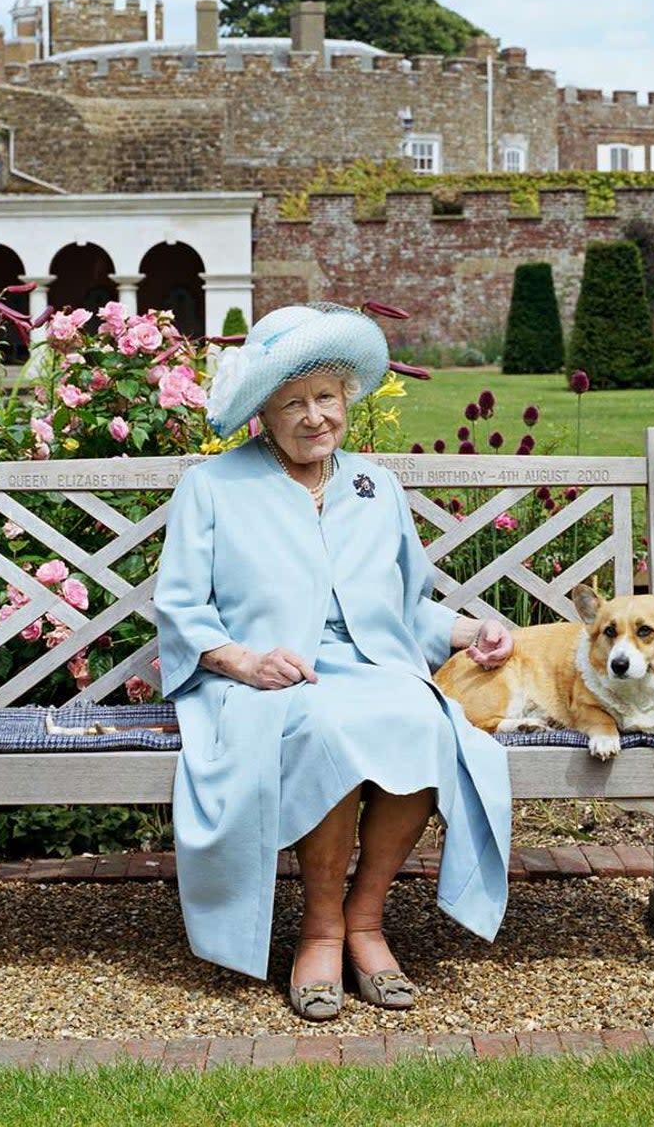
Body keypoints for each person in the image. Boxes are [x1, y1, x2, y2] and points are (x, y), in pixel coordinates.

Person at [154, 303, 513, 1020]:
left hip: (373, 668)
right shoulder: (214, 487)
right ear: (263, 413)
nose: (314, 417)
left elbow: (408, 608)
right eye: (293, 402)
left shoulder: (374, 488)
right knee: (328, 725)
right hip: (264, 680)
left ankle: (365, 920)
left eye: (326, 397)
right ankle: (319, 928)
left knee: (422, 718)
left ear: (347, 397)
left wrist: (469, 629)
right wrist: (244, 662)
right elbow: (182, 608)